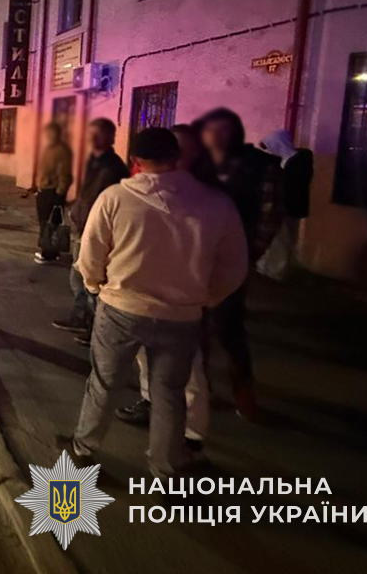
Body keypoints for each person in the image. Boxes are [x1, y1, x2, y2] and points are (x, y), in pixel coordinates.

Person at [67, 127, 247, 478]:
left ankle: (83, 450)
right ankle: (165, 468)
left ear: (135, 160)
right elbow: (234, 265)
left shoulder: (115, 198)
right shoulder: (215, 204)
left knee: (104, 384)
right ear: (176, 156)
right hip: (182, 316)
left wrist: (94, 285)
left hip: (121, 309)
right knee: (169, 394)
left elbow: (90, 255)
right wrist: (206, 297)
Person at [114, 124, 215, 451]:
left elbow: (228, 254)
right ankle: (149, 402)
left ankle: (191, 434)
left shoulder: (205, 192)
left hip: (186, 298)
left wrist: (212, 294)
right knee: (146, 359)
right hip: (144, 293)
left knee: (189, 371)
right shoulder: (143, 185)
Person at [196, 108, 282, 420]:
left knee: (230, 326)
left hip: (235, 257)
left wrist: (252, 252)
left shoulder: (260, 165)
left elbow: (271, 212)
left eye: (223, 130)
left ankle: (244, 394)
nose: (216, 137)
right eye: (210, 131)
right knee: (194, 325)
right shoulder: (200, 165)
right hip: (197, 257)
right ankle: (200, 388)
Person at [52, 118, 129, 342]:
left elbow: (109, 201)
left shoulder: (113, 166)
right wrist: (74, 207)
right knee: (78, 276)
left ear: (110, 137)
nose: (93, 138)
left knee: (89, 278)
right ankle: (81, 318)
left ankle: (94, 328)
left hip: (95, 229)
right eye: (91, 133)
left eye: (99, 134)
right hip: (82, 225)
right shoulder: (93, 161)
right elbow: (87, 193)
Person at [256, 129, 313, 281]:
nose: (270, 150)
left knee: (284, 239)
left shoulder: (298, 162)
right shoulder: (284, 161)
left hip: (290, 207)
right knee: (277, 238)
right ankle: (268, 267)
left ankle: (277, 271)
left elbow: (293, 186)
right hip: (281, 206)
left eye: (272, 146)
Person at [34, 122, 73, 263]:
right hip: (44, 190)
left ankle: (48, 254)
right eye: (48, 133)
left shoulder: (61, 150)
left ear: (57, 134)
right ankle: (51, 251)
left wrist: (60, 193)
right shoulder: (49, 148)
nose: (49, 135)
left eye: (52, 133)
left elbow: (64, 173)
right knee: (46, 222)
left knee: (50, 223)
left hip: (52, 192)